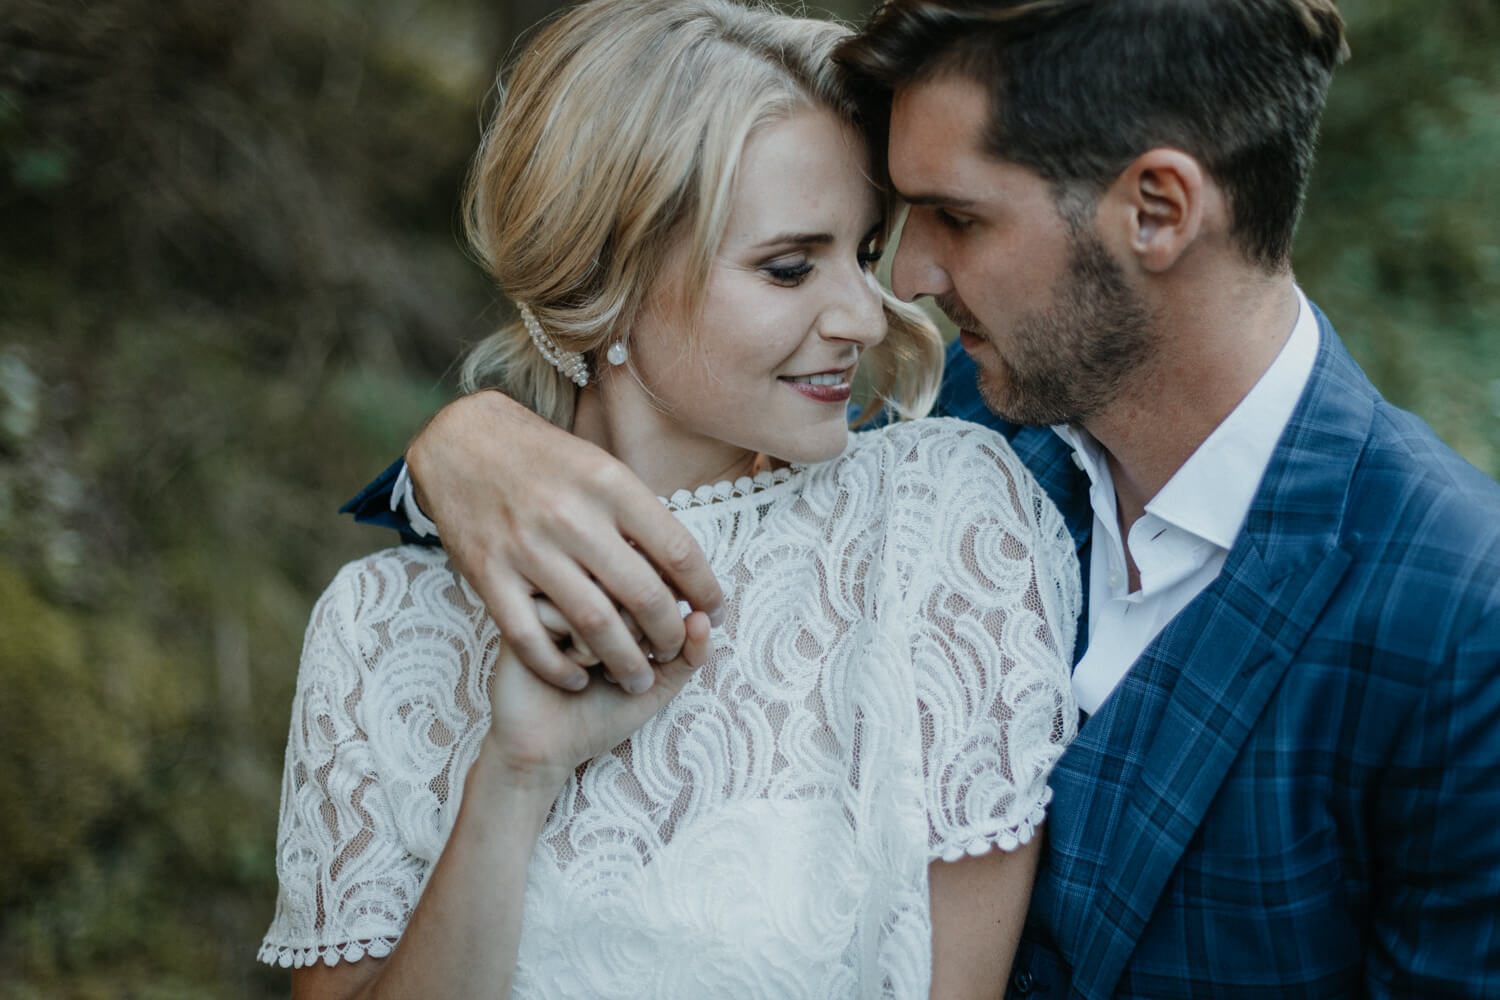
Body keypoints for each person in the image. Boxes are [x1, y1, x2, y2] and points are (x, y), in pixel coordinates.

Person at [352, 0, 1500, 996]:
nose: (904, 284)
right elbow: (673, 450)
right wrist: (463, 445)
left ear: (1157, 209)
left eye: (956, 218)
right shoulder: (957, 421)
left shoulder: (1455, 609)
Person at [260, 0, 1083, 996]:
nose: (868, 316)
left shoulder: (938, 524)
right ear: (602, 274)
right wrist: (515, 776)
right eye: (789, 267)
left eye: (863, 254)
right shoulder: (380, 631)